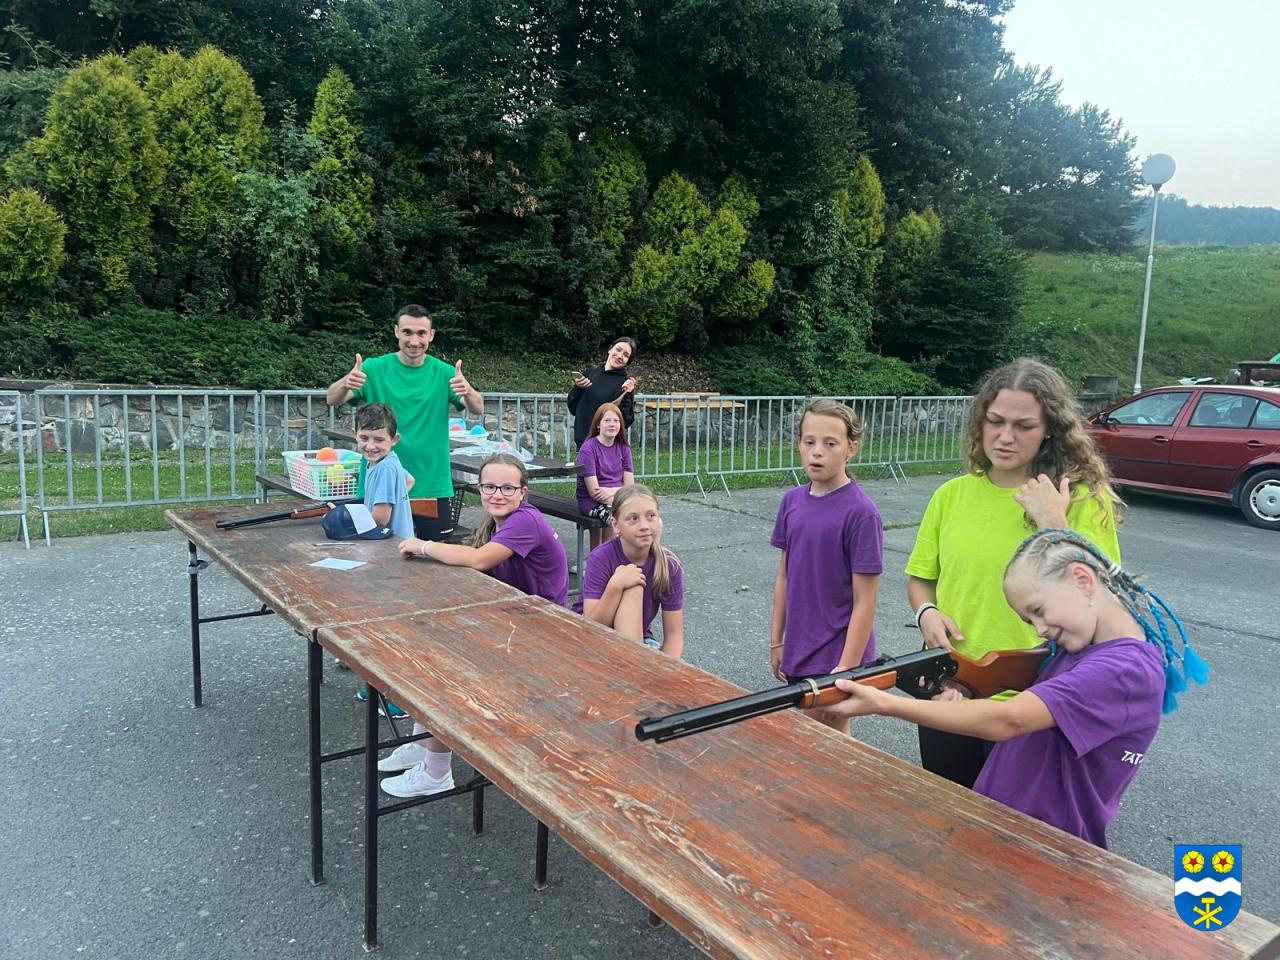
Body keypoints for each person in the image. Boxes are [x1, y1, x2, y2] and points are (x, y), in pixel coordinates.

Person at [824, 528, 1209, 848]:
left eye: (1038, 611)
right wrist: (963, 693)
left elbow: (1008, 719)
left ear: (1083, 580)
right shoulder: (1082, 647)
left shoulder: (1123, 670)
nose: (1039, 629)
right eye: (1029, 620)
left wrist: (883, 704)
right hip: (1009, 830)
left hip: (1045, 847)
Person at [906, 357, 1124, 788]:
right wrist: (926, 612)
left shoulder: (1078, 498)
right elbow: (921, 578)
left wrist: (1053, 524)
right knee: (947, 806)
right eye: (995, 421)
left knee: (1016, 820)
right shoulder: (951, 494)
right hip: (952, 686)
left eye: (1024, 426)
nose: (1006, 437)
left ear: (1050, 430)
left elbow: (1104, 600)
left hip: (1036, 698)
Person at [380, 454, 569, 797]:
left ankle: (436, 772)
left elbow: (479, 560)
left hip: (543, 632)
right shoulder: (497, 523)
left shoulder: (525, 520)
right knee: (429, 647)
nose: (497, 494)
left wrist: (424, 545)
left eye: (507, 488)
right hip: (517, 619)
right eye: (489, 486)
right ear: (479, 489)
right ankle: (422, 745)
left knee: (445, 669)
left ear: (523, 492)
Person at [769, 399, 883, 733]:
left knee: (819, 739)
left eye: (830, 443)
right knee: (814, 742)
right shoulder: (791, 501)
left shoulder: (861, 513)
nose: (817, 452)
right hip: (799, 647)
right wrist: (777, 641)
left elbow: (865, 601)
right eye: (809, 441)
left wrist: (846, 667)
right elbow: (784, 576)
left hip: (835, 653)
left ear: (851, 449)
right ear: (799, 444)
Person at [326, 304, 484, 540]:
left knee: (434, 554)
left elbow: (477, 408)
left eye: (421, 333)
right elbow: (333, 399)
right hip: (380, 482)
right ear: (396, 331)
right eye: (407, 332)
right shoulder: (373, 368)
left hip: (431, 482)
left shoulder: (445, 373)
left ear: (431, 335)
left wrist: (468, 390)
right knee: (374, 553)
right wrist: (345, 382)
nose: (414, 341)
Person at [580, 484, 684, 658]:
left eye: (651, 516)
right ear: (616, 525)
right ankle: (633, 664)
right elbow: (591, 627)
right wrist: (615, 585)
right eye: (633, 519)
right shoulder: (600, 557)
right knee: (633, 581)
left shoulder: (669, 565)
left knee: (634, 578)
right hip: (590, 638)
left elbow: (674, 636)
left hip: (637, 638)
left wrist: (669, 669)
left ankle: (634, 662)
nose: (644, 526)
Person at [576, 402, 635, 548]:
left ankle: (612, 556)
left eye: (616, 421)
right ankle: (602, 557)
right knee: (616, 515)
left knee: (637, 513)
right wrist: (620, 496)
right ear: (598, 424)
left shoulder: (624, 448)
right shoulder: (588, 449)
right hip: (591, 501)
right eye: (607, 420)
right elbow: (594, 492)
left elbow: (630, 486)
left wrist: (611, 491)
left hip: (615, 498)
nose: (612, 424)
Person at [354, 403, 413, 540]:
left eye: (379, 440)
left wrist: (345, 517)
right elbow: (410, 480)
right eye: (364, 438)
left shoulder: (385, 468)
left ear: (394, 439)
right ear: (355, 435)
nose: (370, 446)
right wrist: (396, 496)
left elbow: (380, 519)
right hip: (396, 541)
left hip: (391, 545)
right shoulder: (388, 459)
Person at [567, 336, 638, 449]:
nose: (620, 356)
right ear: (610, 349)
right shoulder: (590, 373)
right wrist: (578, 388)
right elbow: (572, 408)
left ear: (628, 361)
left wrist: (627, 394)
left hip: (606, 447)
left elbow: (627, 420)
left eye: (625, 355)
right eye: (618, 350)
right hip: (583, 444)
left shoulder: (625, 383)